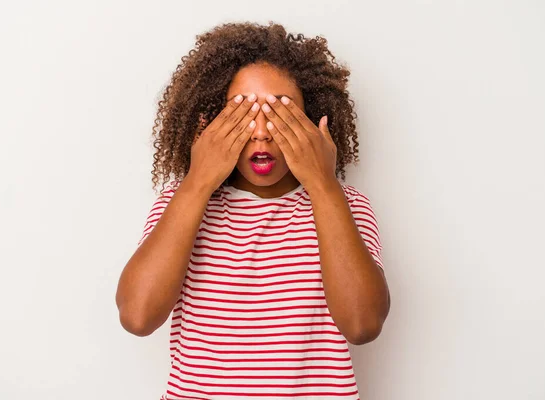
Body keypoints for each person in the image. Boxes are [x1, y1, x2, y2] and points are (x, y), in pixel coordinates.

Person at [115, 21, 390, 400]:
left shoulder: (346, 206)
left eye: (280, 113)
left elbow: (362, 324)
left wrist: (323, 185)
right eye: (242, 114)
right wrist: (197, 182)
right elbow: (137, 316)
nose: (261, 132)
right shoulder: (181, 202)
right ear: (210, 122)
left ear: (312, 120)